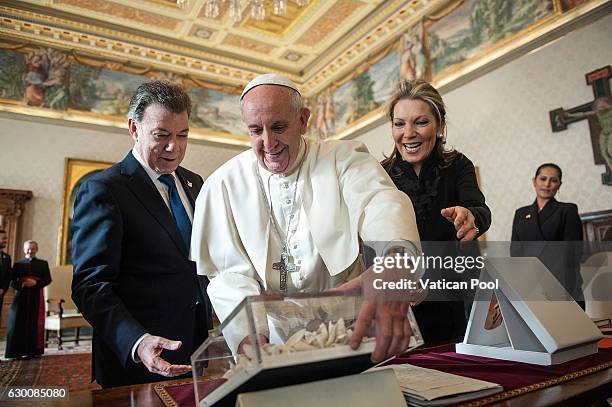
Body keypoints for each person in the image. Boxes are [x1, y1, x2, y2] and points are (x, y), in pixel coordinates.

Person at [191, 73, 422, 363]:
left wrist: (394, 264)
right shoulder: (223, 184)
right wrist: (252, 342)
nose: (268, 142)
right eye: (255, 131)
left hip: (352, 331)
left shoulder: (342, 158)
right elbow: (229, 275)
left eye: (278, 127)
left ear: (303, 120)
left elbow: (381, 203)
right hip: (274, 344)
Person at [71, 80, 212, 387]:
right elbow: (90, 285)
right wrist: (137, 341)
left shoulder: (195, 184)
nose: (174, 147)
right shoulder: (104, 189)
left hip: (196, 346)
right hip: (140, 357)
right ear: (134, 129)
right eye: (161, 135)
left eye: (183, 135)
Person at [381, 79, 491, 343]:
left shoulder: (458, 165)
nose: (408, 133)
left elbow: (482, 211)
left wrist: (470, 216)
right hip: (402, 299)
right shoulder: (380, 174)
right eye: (399, 123)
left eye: (420, 122)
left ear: (440, 126)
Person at [511, 163, 584, 308]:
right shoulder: (520, 213)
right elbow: (516, 252)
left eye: (553, 180)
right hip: (531, 287)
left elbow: (573, 253)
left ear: (559, 184)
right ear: (534, 181)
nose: (547, 184)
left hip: (563, 284)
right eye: (543, 179)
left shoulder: (567, 210)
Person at [5, 240, 51, 359]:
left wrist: (36, 283)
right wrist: (22, 283)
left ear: (37, 249)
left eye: (33, 248)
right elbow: (11, 280)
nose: (30, 251)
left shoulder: (43, 264)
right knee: (16, 323)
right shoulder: (17, 264)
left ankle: (32, 351)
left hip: (36, 297)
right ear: (24, 250)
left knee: (33, 323)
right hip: (20, 297)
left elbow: (48, 279)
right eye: (28, 249)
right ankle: (16, 352)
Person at [0, 230, 12, 330]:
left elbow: (8, 277)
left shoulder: (7, 258)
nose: (6, 240)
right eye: (3, 238)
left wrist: (3, 289)